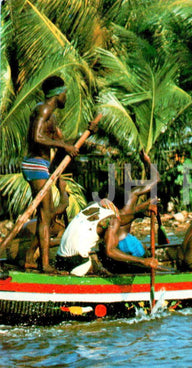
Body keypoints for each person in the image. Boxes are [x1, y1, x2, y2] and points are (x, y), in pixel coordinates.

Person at [22, 76, 95, 272]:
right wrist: (63, 145)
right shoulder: (44, 109)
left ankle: (31, 257)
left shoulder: (51, 115)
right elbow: (36, 137)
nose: (66, 97)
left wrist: (87, 133)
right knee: (46, 216)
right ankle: (44, 264)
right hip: (35, 165)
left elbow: (64, 143)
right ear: (57, 94)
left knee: (47, 216)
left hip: (42, 166)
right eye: (65, 94)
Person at [55, 199, 159, 276]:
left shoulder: (93, 208)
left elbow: (118, 220)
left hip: (60, 259)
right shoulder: (113, 219)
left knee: (100, 266)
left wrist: (139, 214)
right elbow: (110, 251)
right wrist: (142, 261)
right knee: (106, 271)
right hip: (78, 264)